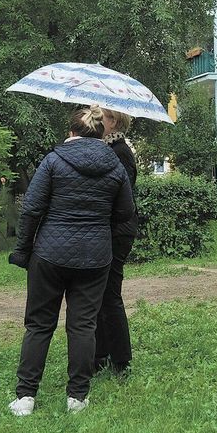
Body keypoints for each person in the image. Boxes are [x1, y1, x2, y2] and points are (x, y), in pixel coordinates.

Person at [7, 106, 134, 415]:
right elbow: (125, 215)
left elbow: (32, 209)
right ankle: (77, 398)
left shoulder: (53, 161)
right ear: (99, 133)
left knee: (38, 325)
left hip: (49, 255)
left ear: (73, 132)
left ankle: (25, 398)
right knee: (83, 326)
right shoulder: (115, 167)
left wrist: (23, 251)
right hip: (94, 259)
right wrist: (101, 237)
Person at [95, 108, 139, 375]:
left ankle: (121, 361)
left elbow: (121, 192)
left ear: (113, 122)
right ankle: (101, 355)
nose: (98, 123)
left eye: (101, 119)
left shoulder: (119, 151)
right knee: (100, 295)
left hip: (118, 230)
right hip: (110, 228)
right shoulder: (109, 148)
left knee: (109, 294)